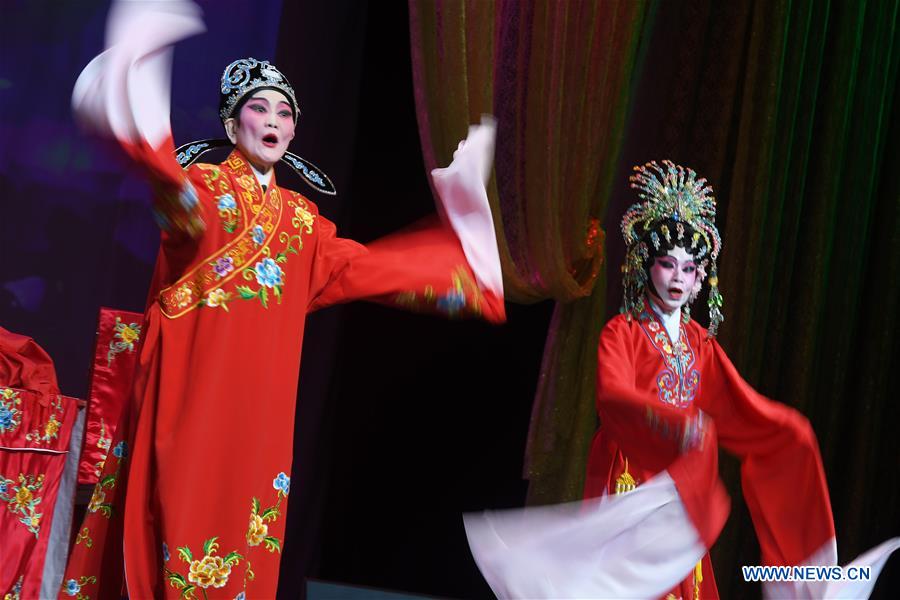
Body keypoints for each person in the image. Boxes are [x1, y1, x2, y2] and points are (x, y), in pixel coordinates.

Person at [61, 1, 504, 598]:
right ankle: (132, 99)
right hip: (193, 396)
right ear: (231, 124)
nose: (272, 119)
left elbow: (371, 270)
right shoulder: (208, 191)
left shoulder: (303, 223)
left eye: (284, 111)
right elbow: (178, 206)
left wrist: (464, 247)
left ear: (294, 131)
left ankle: (467, 252)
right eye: (258, 107)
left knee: (245, 531)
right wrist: (146, 131)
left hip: (259, 414)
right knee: (177, 512)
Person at [464, 160, 899, 599]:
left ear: (699, 281)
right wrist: (677, 427)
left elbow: (741, 408)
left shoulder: (699, 344)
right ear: (645, 266)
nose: (677, 278)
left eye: (689, 269)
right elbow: (612, 397)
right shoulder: (624, 332)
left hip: (681, 480)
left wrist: (789, 434)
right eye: (668, 264)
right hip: (633, 475)